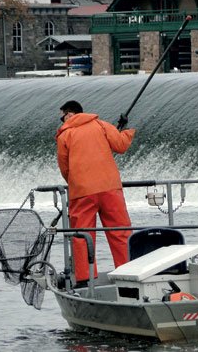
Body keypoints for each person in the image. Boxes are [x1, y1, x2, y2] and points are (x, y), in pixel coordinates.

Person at [55, 100, 135, 285]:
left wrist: (75, 183)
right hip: (110, 188)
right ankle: (128, 273)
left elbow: (64, 167)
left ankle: (85, 279)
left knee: (83, 236)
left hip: (82, 192)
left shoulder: (65, 135)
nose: (62, 121)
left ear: (69, 114)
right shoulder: (101, 125)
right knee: (120, 232)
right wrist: (125, 130)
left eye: (62, 117)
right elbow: (121, 146)